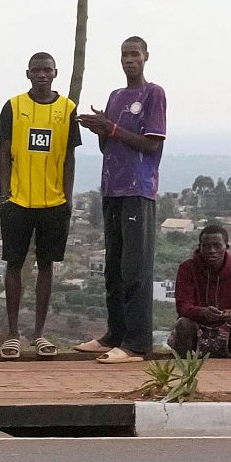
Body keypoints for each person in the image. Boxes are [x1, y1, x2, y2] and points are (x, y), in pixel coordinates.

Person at [76, 37, 167, 364]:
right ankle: (114, 335)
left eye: (135, 55)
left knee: (135, 269)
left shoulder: (153, 94)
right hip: (112, 188)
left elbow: (151, 145)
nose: (129, 60)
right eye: (124, 55)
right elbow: (108, 148)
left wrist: (110, 127)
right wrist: (100, 129)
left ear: (146, 57)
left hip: (137, 189)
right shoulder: (116, 96)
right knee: (113, 268)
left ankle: (137, 343)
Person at [0, 53, 80, 359]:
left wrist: (68, 198)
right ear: (27, 73)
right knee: (13, 264)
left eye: (47, 70)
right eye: (37, 70)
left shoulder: (67, 109)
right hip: (18, 200)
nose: (42, 75)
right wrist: (4, 195)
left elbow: (70, 157)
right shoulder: (14, 106)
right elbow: (5, 153)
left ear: (56, 73)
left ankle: (40, 334)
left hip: (54, 202)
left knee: (47, 266)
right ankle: (14, 335)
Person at [170, 225, 231, 357]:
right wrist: (203, 312)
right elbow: (183, 307)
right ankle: (183, 369)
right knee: (183, 324)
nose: (212, 250)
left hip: (226, 327)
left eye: (217, 246)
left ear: (226, 247)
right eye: (206, 246)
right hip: (196, 325)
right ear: (200, 247)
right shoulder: (187, 268)